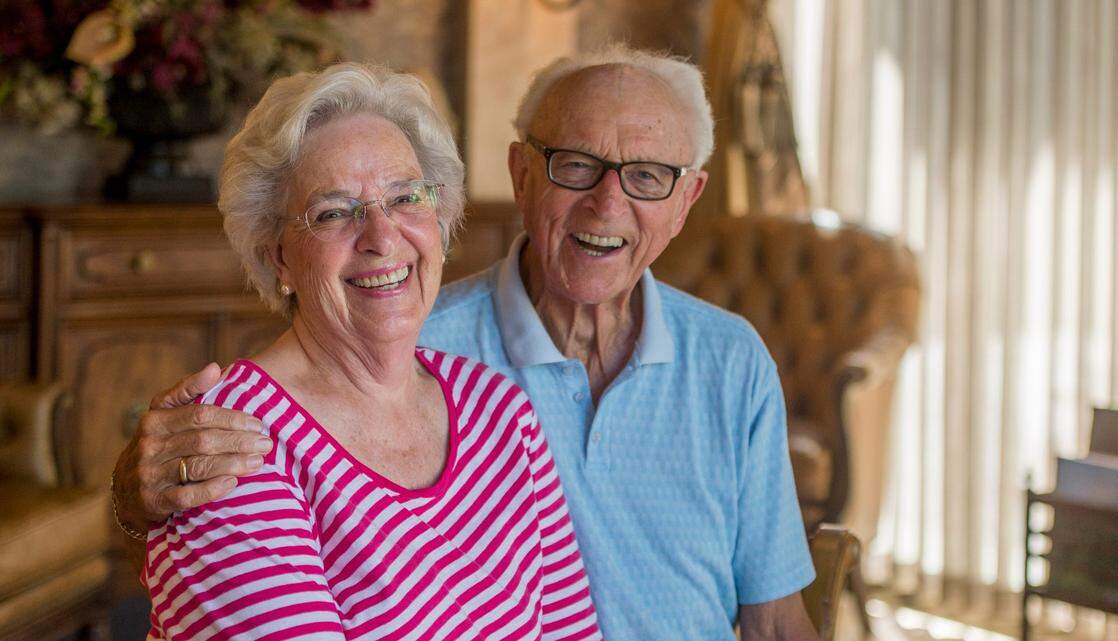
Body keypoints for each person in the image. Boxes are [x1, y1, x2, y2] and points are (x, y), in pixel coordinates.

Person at [115, 47, 818, 640]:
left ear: (687, 198)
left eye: (646, 176)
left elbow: (770, 613)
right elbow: (230, 464)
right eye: (576, 165)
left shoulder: (506, 402)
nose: (607, 204)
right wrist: (133, 494)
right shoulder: (367, 364)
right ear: (520, 174)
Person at [139, 62, 601, 640]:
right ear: (278, 255)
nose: (383, 238)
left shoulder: (499, 408)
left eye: (406, 198)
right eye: (333, 212)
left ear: (441, 219)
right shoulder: (232, 442)